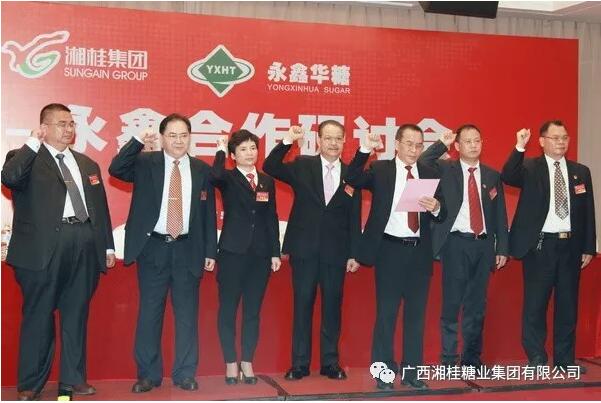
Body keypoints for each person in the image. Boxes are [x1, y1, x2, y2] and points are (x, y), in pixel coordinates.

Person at [1, 103, 115, 401]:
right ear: (45, 127)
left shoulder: (87, 164)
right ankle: (31, 383)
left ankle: (73, 378)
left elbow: (100, 209)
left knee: (76, 313)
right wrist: (32, 143)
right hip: (42, 249)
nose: (69, 129)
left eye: (71, 124)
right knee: (38, 315)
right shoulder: (25, 157)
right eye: (62, 124)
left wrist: (107, 245)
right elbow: (9, 178)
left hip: (84, 242)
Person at [108, 113, 217, 393]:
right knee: (150, 314)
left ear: (190, 138)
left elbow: (207, 213)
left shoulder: (201, 170)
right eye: (172, 135)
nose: (178, 141)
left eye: (184, 136)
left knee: (187, 316)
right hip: (153, 248)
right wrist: (137, 141)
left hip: (188, 248)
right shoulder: (146, 162)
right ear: (162, 137)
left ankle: (185, 373)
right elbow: (116, 169)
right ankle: (148, 375)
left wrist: (210, 250)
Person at [345, 124, 444, 390]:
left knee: (416, 317)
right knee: (386, 315)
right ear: (397, 144)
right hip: (390, 251)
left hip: (419, 253)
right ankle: (384, 374)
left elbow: (442, 212)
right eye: (409, 144)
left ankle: (412, 373)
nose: (414, 150)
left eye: (419, 145)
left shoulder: (429, 173)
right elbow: (352, 178)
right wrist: (364, 150)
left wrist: (436, 207)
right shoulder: (381, 170)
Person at [263, 121, 362, 381]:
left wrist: (354, 253)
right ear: (318, 140)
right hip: (304, 249)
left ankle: (330, 363)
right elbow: (270, 166)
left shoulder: (352, 174)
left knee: (332, 308)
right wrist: (287, 141)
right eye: (328, 138)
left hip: (336, 252)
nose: (333, 143)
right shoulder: (303, 165)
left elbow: (354, 216)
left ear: (344, 141)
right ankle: (299, 364)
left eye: (338, 138)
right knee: (302, 305)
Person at [501, 121, 596, 372]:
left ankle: (565, 360)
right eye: (555, 138)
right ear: (542, 141)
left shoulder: (580, 172)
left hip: (570, 246)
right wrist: (519, 147)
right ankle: (536, 356)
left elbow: (588, 211)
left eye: (564, 137)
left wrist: (589, 246)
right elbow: (508, 176)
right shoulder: (530, 168)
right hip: (540, 245)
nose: (561, 142)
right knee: (536, 304)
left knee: (568, 305)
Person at [419, 126, 508, 369]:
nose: (473, 145)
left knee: (477, 306)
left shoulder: (491, 175)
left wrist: (502, 248)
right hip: (455, 244)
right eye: (467, 141)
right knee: (452, 303)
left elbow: (500, 214)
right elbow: (422, 161)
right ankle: (449, 358)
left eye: (477, 141)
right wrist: (442, 144)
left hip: (484, 245)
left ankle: (471, 358)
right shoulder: (445, 169)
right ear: (457, 146)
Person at [210, 130, 281, 385]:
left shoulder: (266, 181)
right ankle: (231, 361)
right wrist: (220, 151)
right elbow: (214, 176)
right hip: (232, 253)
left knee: (253, 311)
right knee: (228, 309)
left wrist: (275, 251)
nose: (249, 153)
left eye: (253, 148)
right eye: (243, 149)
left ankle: (247, 361)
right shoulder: (227, 178)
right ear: (233, 155)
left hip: (260, 255)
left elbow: (271, 217)